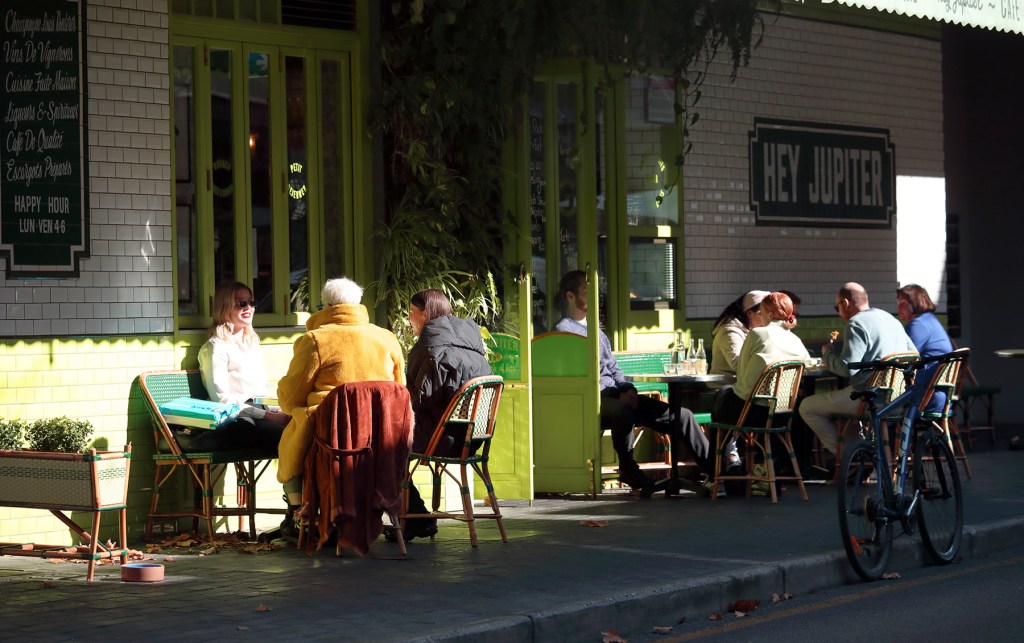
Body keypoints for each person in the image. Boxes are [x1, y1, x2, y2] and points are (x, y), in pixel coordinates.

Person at [554, 270, 714, 495]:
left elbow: (613, 367)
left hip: (614, 393)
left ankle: (717, 473)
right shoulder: (563, 330)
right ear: (570, 296)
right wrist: (618, 395)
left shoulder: (596, 330)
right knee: (623, 411)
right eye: (586, 291)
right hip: (592, 398)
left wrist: (628, 389)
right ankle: (628, 468)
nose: (595, 296)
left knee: (683, 416)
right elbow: (580, 374)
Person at [276, 277, 406, 536]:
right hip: (377, 438)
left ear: (326, 306)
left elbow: (290, 398)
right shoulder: (387, 338)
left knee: (289, 446)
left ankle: (299, 514)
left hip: (330, 438)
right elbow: (399, 389)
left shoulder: (315, 340)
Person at [400, 288, 493, 541]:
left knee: (382, 447)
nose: (409, 319)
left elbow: (418, 400)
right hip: (472, 439)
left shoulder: (429, 349)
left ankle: (415, 518)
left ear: (425, 314)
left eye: (411, 312)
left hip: (441, 439)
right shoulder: (474, 347)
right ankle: (413, 519)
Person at [798, 282, 916, 458]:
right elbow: (914, 355)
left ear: (845, 303)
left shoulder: (856, 323)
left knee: (807, 406)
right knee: (847, 411)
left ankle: (848, 455)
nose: (838, 312)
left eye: (837, 307)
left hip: (870, 401)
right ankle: (859, 455)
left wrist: (827, 354)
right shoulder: (890, 319)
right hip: (898, 401)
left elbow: (846, 369)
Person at [190, 281, 290, 454]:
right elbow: (221, 400)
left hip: (260, 411)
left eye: (252, 303)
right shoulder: (215, 347)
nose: (248, 308)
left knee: (304, 430)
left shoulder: (251, 341)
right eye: (241, 303)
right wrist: (270, 416)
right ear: (225, 306)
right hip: (236, 416)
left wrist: (281, 409)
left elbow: (260, 392)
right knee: (289, 438)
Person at [715, 292, 810, 426]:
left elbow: (741, 375)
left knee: (723, 394)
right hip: (783, 414)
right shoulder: (796, 340)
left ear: (770, 315)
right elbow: (808, 365)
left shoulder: (756, 334)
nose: (760, 316)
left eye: (761, 313)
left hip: (751, 412)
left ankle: (721, 439)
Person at [897, 284, 953, 413]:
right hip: (941, 397)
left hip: (925, 399)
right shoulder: (930, 320)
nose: (898, 307)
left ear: (913, 303)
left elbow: (900, 358)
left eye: (902, 303)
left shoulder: (918, 324)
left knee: (878, 400)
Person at [710, 290, 769, 378]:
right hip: (726, 385)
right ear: (750, 314)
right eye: (762, 314)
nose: (767, 318)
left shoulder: (750, 331)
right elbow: (738, 365)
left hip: (743, 385)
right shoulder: (729, 332)